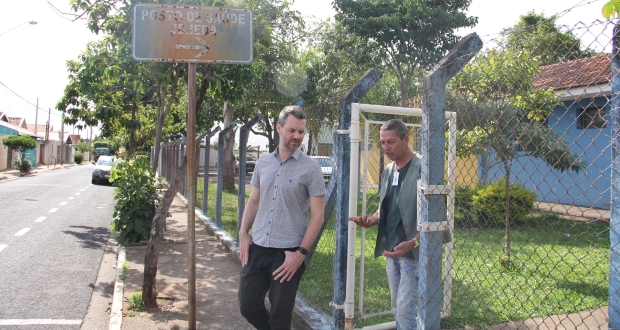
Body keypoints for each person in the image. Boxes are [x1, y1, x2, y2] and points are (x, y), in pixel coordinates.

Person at [238, 105, 326, 330]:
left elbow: (318, 215)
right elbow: (254, 201)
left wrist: (301, 254)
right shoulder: (263, 163)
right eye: (292, 130)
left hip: (287, 253)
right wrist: (242, 233)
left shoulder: (311, 168)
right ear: (279, 128)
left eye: (301, 132)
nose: (297, 136)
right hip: (257, 246)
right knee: (247, 306)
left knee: (280, 317)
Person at [349, 119, 422, 330]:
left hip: (414, 255)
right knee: (397, 306)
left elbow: (436, 218)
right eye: (382, 143)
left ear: (406, 139)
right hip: (392, 252)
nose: (385, 148)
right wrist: (371, 220)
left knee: (406, 309)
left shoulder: (422, 168)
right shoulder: (389, 171)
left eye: (391, 142)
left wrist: (414, 243)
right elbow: (386, 206)